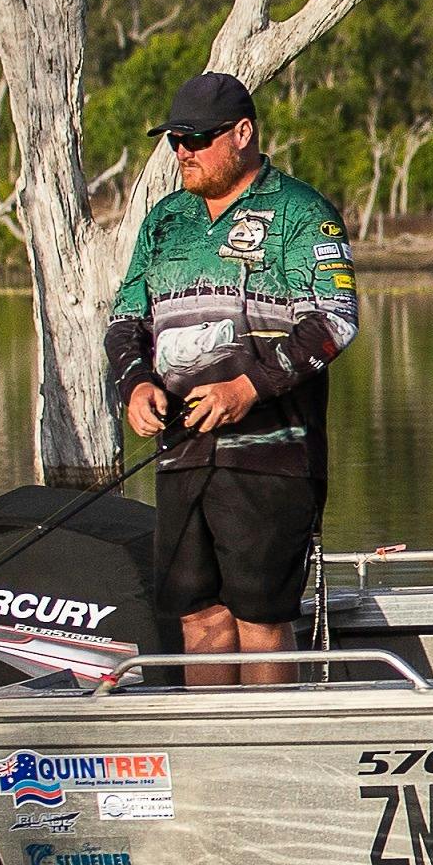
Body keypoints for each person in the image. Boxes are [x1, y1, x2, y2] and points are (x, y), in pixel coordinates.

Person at [108, 71, 358, 681]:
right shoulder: (166, 220)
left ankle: (270, 763)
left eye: (196, 138)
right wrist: (136, 383)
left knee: (259, 617)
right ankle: (209, 755)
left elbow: (335, 323)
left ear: (242, 133)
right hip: (183, 455)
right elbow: (125, 321)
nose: (182, 152)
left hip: (271, 458)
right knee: (198, 617)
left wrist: (245, 388)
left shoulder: (301, 213)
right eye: (175, 140)